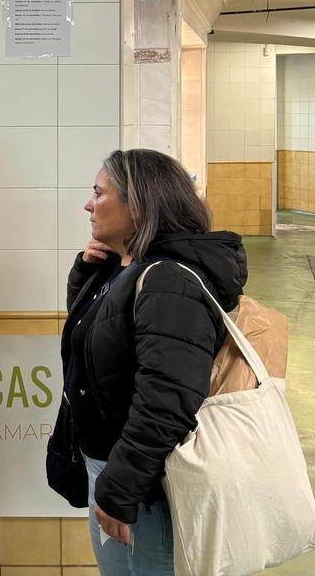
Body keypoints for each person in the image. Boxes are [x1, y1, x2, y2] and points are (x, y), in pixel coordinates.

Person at [61, 148, 246, 574]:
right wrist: (88, 275)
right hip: (117, 473)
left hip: (148, 487)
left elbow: (168, 399)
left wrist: (121, 486)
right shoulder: (127, 267)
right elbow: (92, 348)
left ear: (138, 204)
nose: (88, 204)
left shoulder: (168, 281)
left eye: (99, 193)